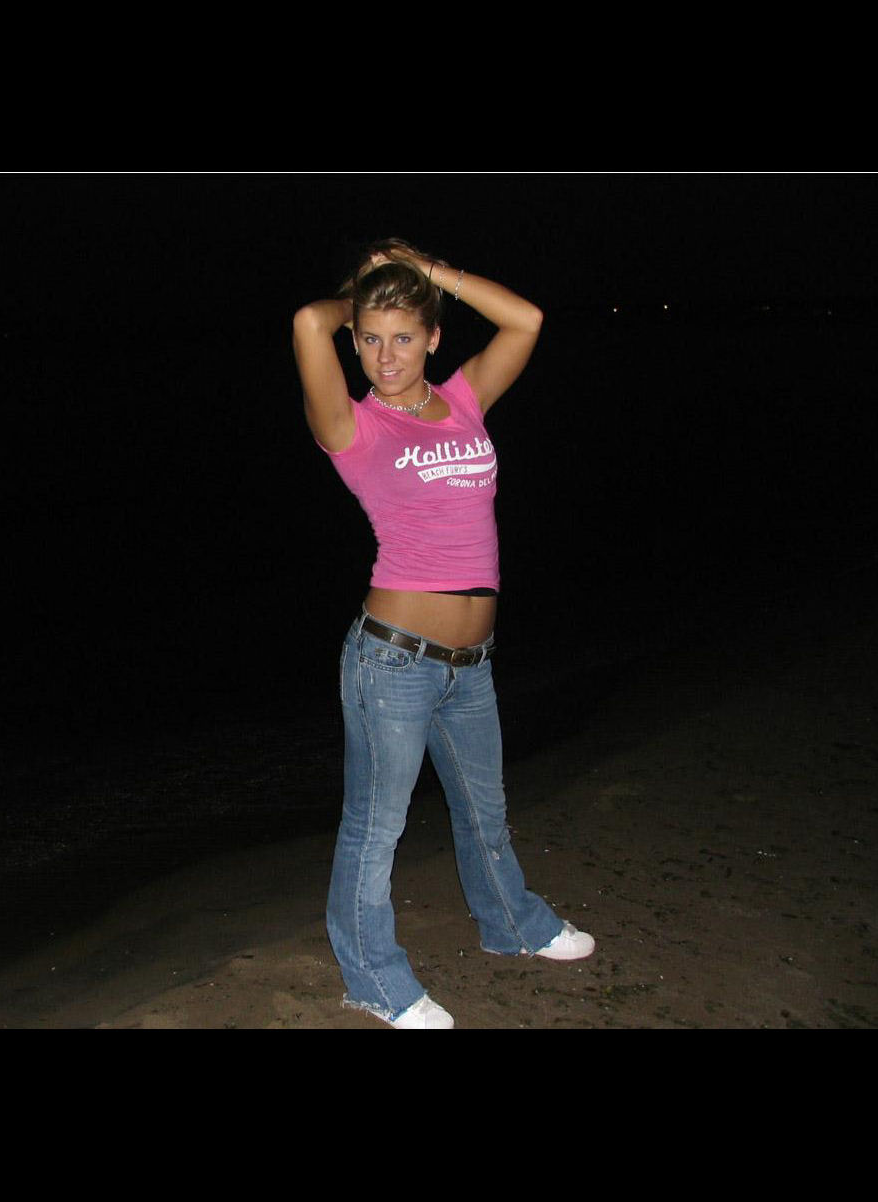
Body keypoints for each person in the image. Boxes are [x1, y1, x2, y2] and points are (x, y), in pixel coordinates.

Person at [293, 239, 594, 1030]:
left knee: (484, 810)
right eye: (369, 338)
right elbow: (307, 322)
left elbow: (526, 320)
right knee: (376, 827)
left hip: (471, 663)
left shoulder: (464, 398)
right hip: (392, 660)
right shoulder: (350, 425)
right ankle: (374, 980)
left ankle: (512, 925)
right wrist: (361, 290)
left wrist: (430, 271)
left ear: (433, 337)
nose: (385, 355)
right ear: (353, 339)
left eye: (402, 336)